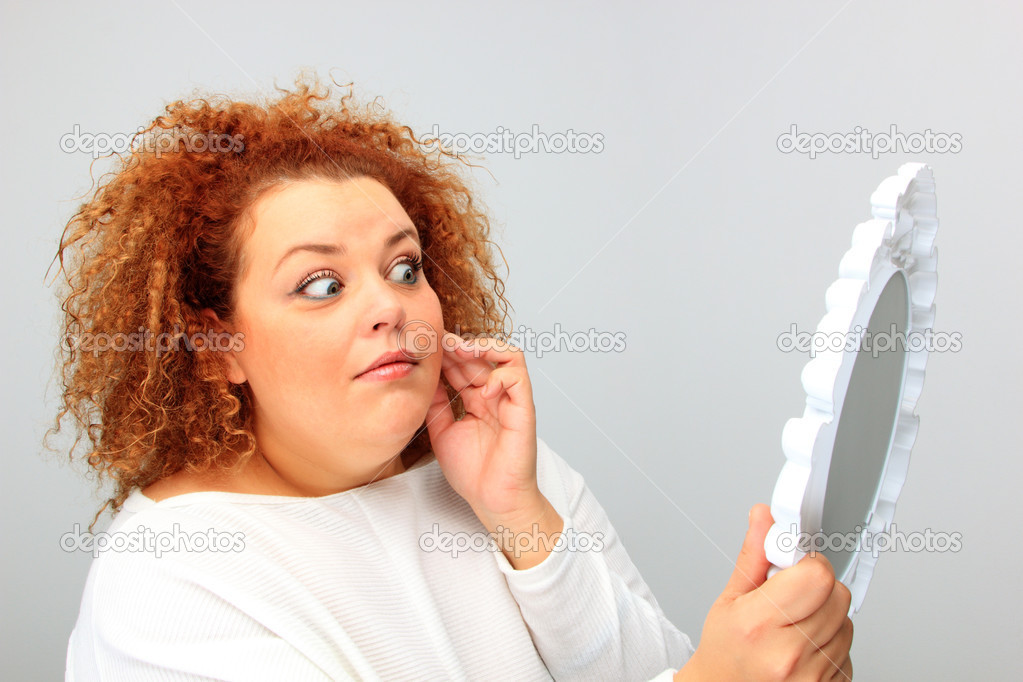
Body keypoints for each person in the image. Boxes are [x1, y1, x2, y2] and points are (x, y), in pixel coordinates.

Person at [53, 73, 853, 681]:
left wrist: (520, 516)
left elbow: (651, 673)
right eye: (321, 285)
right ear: (215, 344)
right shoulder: (173, 580)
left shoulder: (508, 476)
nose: (388, 308)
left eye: (404, 267)